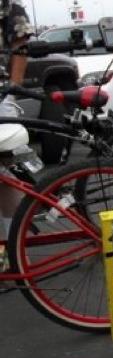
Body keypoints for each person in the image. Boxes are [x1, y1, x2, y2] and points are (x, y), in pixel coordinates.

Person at [0, 0, 34, 272]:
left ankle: (15, 251)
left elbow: (20, 43)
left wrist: (13, 89)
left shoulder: (8, 4)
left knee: (4, 173)